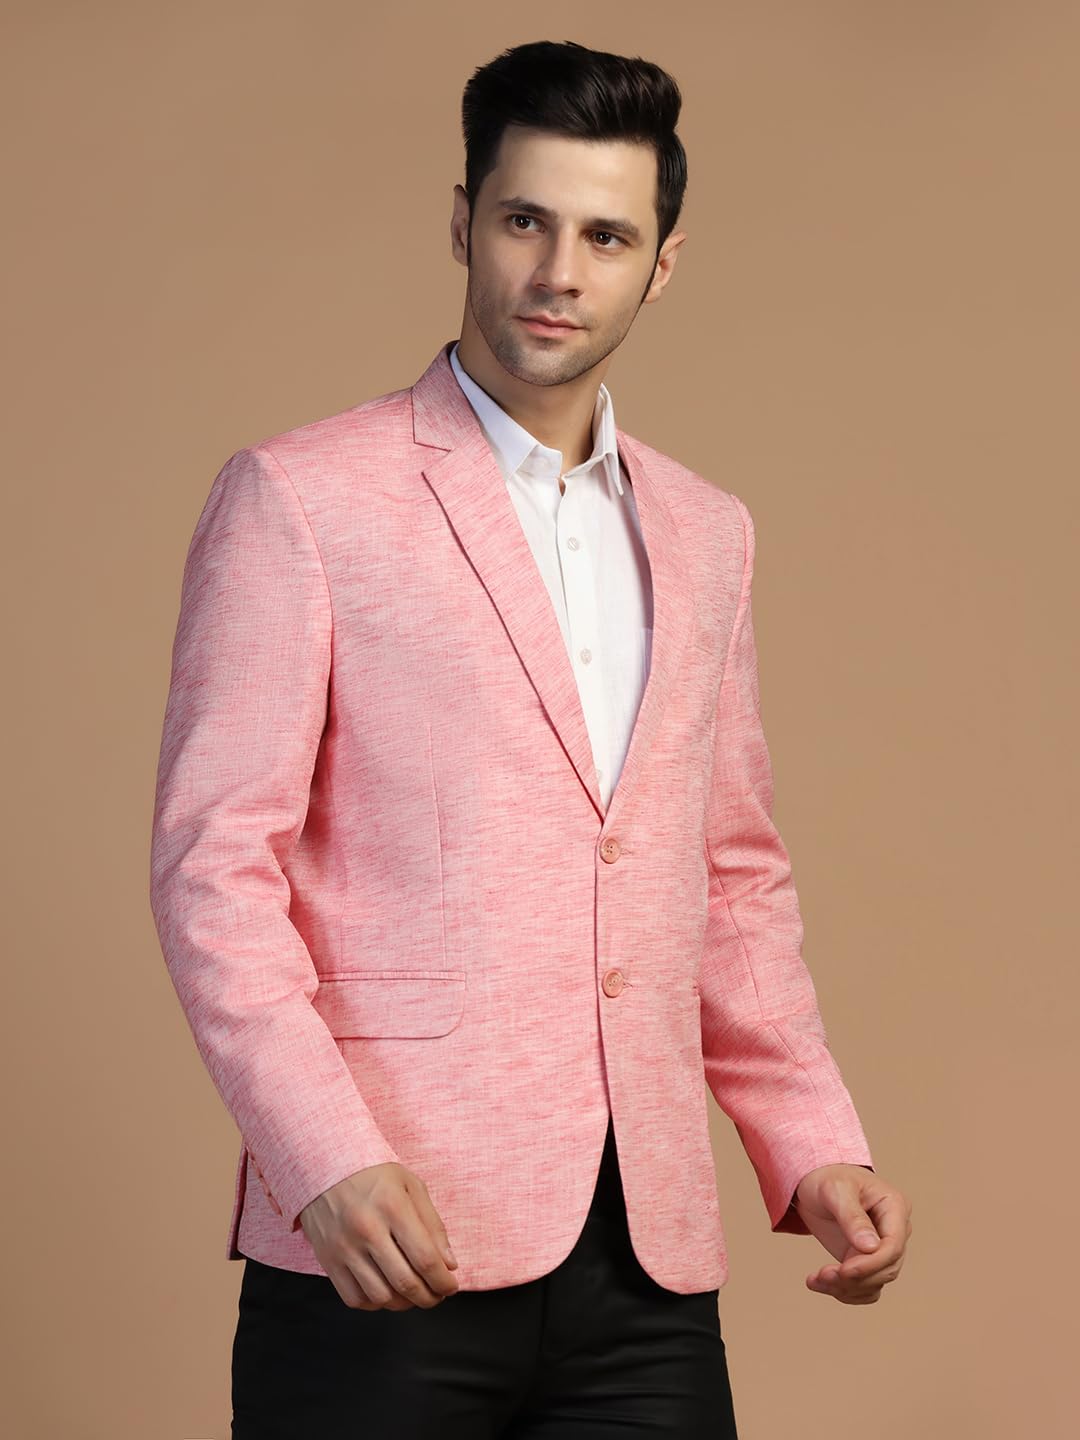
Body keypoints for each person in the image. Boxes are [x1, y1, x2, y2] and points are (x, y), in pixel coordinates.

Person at [149, 37, 912, 1440]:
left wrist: (810, 1143)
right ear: (463, 222)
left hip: (646, 1265)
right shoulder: (301, 499)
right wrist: (320, 1159)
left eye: (606, 236)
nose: (560, 271)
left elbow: (730, 872)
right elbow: (214, 870)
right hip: (387, 1240)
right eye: (524, 220)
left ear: (660, 265)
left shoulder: (707, 534)